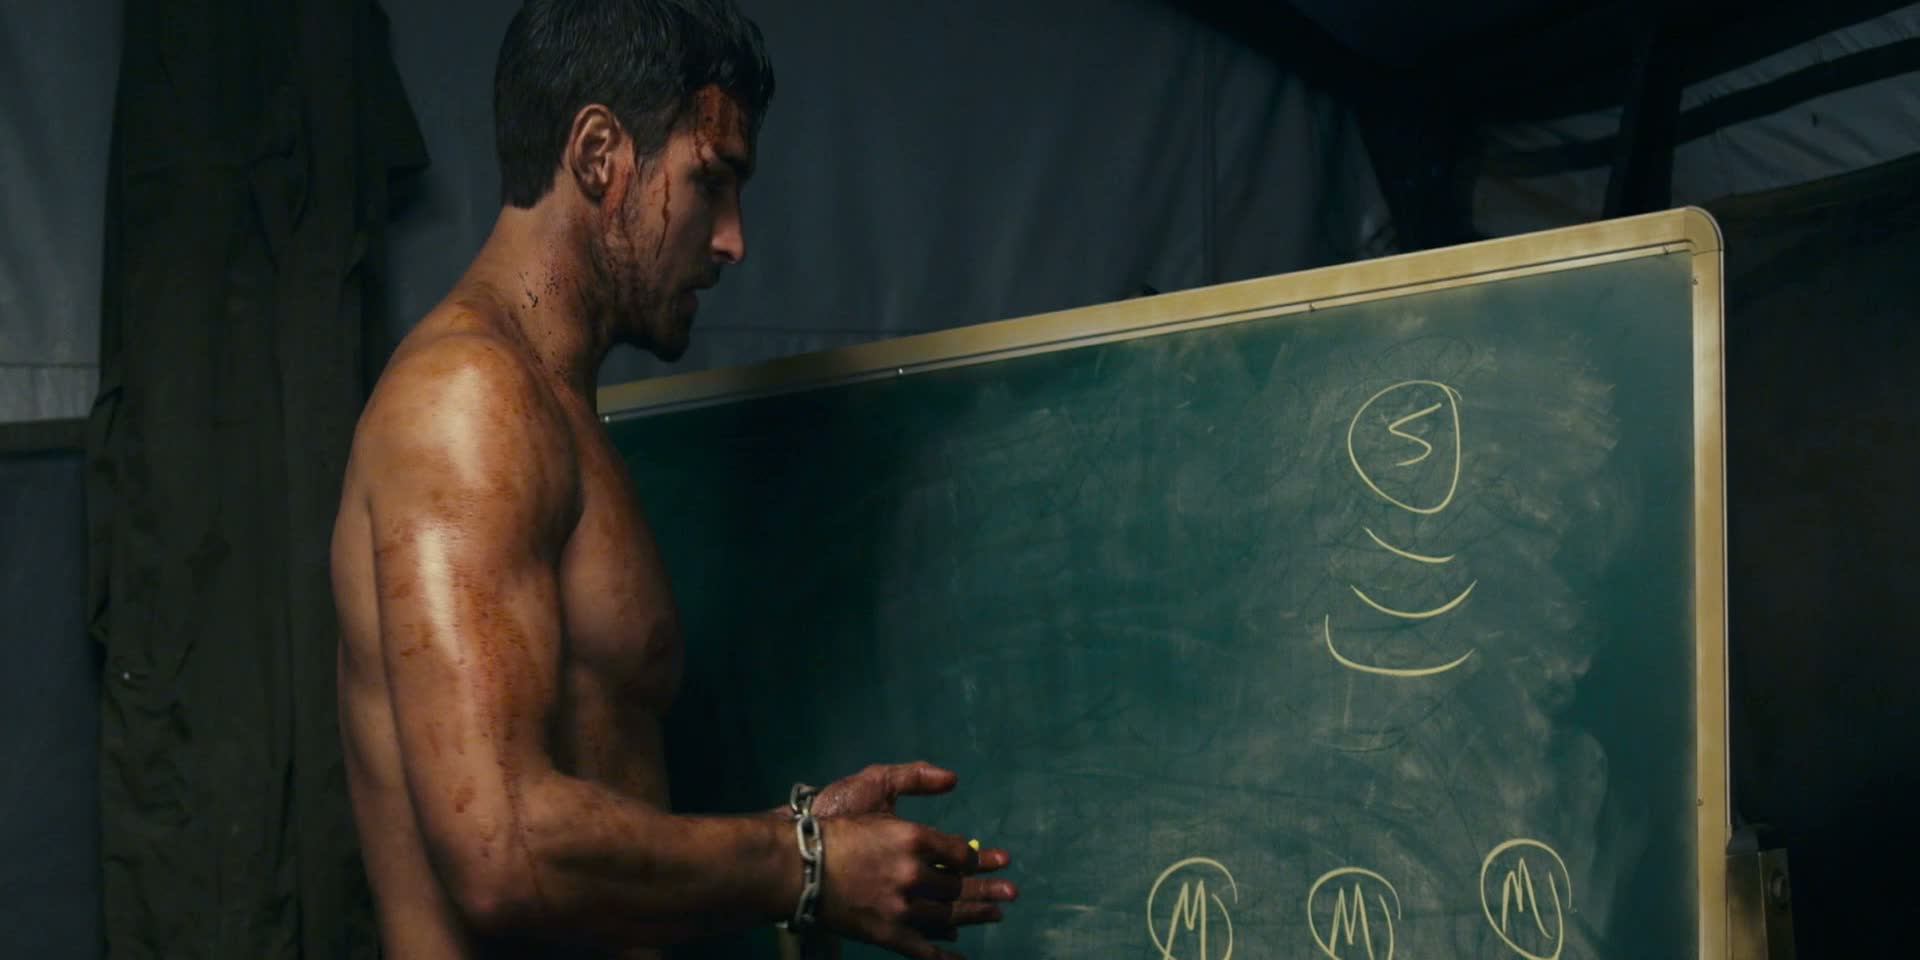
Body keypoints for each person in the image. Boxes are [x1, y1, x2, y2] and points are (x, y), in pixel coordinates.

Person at [327, 2, 1016, 957]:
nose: (731, 239)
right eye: (711, 182)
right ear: (598, 154)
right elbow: (502, 850)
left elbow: (577, 799)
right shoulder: (467, 400)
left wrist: (805, 840)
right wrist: (808, 865)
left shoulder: (549, 406)